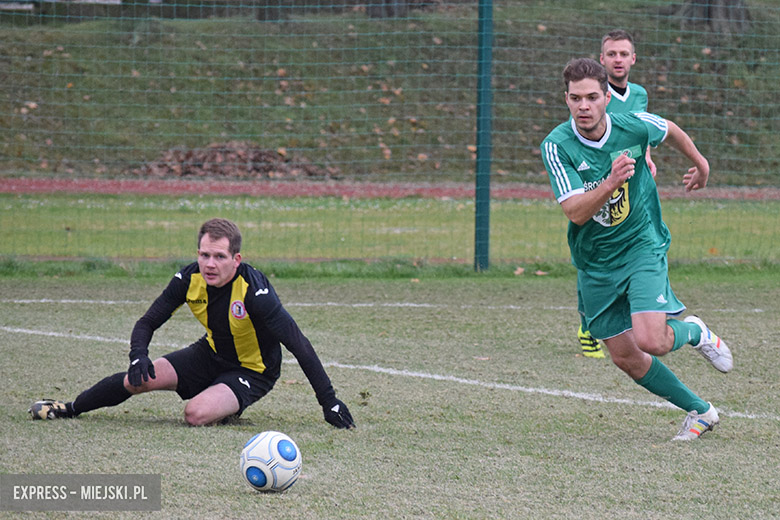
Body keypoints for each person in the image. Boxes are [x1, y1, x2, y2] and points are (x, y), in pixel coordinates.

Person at [540, 58, 733, 440]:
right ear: (566, 100)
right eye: (576, 98)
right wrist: (610, 183)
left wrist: (702, 165)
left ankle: (693, 331)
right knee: (626, 356)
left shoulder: (633, 126)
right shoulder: (556, 146)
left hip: (641, 244)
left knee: (651, 340)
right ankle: (701, 411)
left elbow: (671, 130)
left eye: (592, 97)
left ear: (606, 98)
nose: (584, 106)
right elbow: (576, 213)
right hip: (595, 262)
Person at [29, 218, 355, 429]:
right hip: (208, 354)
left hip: (252, 370)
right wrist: (138, 355)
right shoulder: (188, 278)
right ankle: (70, 408)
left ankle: (226, 403)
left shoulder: (256, 293)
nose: (210, 264)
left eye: (219, 257)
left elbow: (299, 344)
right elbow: (148, 321)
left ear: (236, 259)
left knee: (195, 415)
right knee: (137, 379)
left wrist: (329, 401)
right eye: (204, 255)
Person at [577, 29, 657, 359]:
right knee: (594, 246)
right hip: (601, 182)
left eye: (624, 54)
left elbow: (643, 132)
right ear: (602, 59)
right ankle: (588, 322)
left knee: (639, 242)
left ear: (633, 58)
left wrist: (648, 157)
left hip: (633, 182)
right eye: (612, 54)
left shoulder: (639, 94)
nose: (618, 59)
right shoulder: (593, 95)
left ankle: (636, 315)